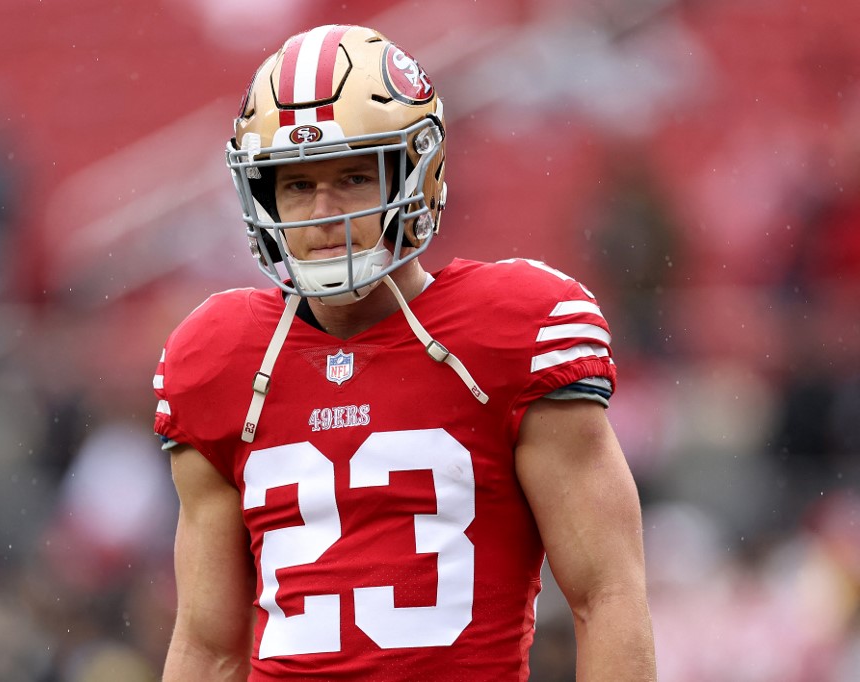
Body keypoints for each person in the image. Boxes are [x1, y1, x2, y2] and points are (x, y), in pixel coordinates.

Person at [153, 24, 656, 681]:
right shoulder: (222, 357)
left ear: (417, 176)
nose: (322, 213)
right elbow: (207, 645)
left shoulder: (507, 332)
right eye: (297, 185)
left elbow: (607, 597)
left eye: (354, 177)